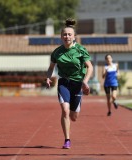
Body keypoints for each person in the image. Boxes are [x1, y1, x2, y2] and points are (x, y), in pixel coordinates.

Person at [46, 18, 93, 149]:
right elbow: (51, 68)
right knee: (65, 111)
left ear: (74, 37)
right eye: (64, 35)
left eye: (69, 34)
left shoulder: (81, 50)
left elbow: (90, 67)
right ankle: (67, 140)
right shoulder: (57, 52)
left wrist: (85, 82)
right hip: (64, 83)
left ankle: (76, 106)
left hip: (77, 84)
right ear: (61, 37)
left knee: (74, 117)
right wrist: (48, 77)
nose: (67, 36)